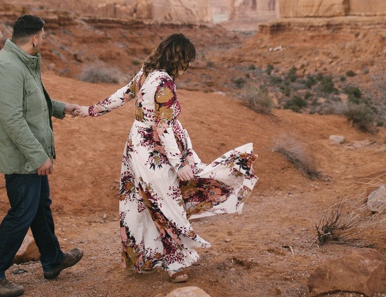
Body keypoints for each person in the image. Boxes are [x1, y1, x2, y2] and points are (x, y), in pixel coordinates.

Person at [73, 33, 257, 283]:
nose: (187, 66)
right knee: (164, 203)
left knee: (141, 202)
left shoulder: (145, 73)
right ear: (178, 58)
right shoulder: (165, 83)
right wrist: (178, 162)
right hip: (154, 152)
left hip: (136, 146)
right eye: (186, 60)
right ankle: (174, 262)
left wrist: (90, 110)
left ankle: (146, 257)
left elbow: (122, 95)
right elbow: (163, 127)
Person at [0, 14, 84, 297]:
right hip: (21, 157)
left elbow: (34, 104)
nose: (44, 40)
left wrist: (62, 108)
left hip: (30, 154)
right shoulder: (7, 67)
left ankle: (53, 260)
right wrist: (39, 156)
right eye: (44, 36)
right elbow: (13, 119)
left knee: (39, 208)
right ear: (35, 37)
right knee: (22, 213)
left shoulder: (23, 63)